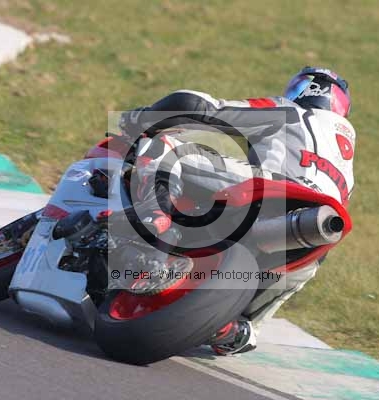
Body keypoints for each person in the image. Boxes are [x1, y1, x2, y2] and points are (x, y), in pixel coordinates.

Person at [117, 66, 356, 355]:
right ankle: (235, 330)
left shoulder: (291, 111)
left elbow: (202, 106)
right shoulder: (347, 166)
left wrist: (143, 117)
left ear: (309, 91)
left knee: (163, 146)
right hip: (315, 238)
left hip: (274, 190)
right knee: (255, 320)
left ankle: (155, 221)